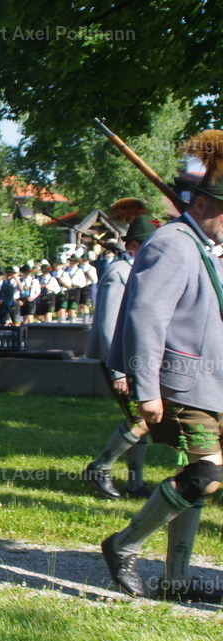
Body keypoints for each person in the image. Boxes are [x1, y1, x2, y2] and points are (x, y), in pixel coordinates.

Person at [102, 130, 223, 602]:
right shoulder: (172, 242)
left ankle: (175, 578)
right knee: (207, 476)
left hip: (212, 385)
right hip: (183, 383)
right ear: (210, 203)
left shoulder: (204, 246)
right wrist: (145, 389)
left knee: (201, 477)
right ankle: (123, 544)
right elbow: (144, 317)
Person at [83, 200, 155, 500]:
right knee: (141, 420)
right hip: (120, 360)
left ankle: (135, 482)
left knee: (144, 421)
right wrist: (119, 369)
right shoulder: (119, 272)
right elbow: (108, 325)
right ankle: (100, 467)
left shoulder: (137, 269)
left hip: (135, 359)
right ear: (136, 246)